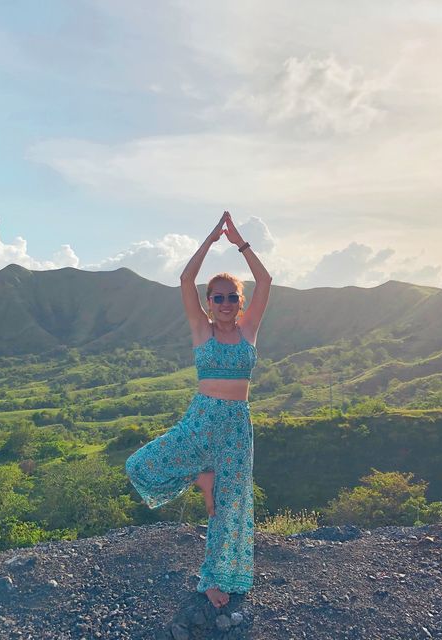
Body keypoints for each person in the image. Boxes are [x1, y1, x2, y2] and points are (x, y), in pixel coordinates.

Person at [125, 211, 272, 608]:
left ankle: (217, 578)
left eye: (231, 297)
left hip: (237, 425)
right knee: (140, 465)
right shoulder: (201, 330)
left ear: (240, 303)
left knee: (232, 504)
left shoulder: (248, 331)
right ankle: (200, 477)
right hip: (202, 418)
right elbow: (186, 279)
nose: (225, 303)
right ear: (209, 303)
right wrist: (210, 240)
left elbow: (266, 281)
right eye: (218, 297)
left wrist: (240, 242)